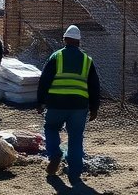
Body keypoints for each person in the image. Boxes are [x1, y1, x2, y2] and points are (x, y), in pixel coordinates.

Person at [36, 25, 102, 188]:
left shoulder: (56, 56)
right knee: (76, 138)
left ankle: (55, 153)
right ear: (79, 42)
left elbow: (44, 81)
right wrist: (94, 108)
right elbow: (94, 86)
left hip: (56, 104)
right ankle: (75, 175)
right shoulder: (87, 60)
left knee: (51, 128)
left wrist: (40, 101)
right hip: (79, 107)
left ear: (65, 39)